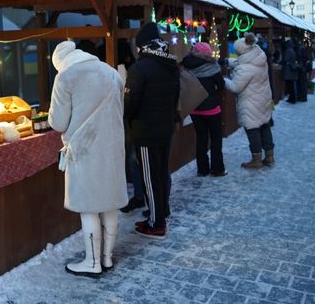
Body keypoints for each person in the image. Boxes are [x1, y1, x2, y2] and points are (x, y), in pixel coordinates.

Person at [48, 40, 128, 278]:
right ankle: (107, 258)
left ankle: (92, 263)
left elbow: (58, 122)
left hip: (85, 150)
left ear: (58, 61)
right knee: (109, 203)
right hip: (113, 148)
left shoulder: (65, 76)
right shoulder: (111, 72)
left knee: (89, 207)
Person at [124, 22, 180, 239]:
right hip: (165, 128)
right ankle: (161, 212)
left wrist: (124, 110)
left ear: (142, 46)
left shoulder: (139, 68)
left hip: (146, 131)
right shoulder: (170, 64)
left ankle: (156, 224)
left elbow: (130, 105)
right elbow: (175, 98)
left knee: (149, 178)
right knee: (161, 174)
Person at [224, 32, 274, 169]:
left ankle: (256, 159)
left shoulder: (245, 68)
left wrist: (223, 80)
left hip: (250, 103)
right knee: (264, 125)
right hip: (263, 99)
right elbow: (244, 63)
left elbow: (235, 87)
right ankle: (270, 156)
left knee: (252, 129)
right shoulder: (259, 56)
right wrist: (228, 62)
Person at [181, 42, 226, 177]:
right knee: (216, 138)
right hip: (212, 109)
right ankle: (217, 169)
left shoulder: (186, 65)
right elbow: (221, 85)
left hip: (195, 109)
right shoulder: (213, 66)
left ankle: (202, 169)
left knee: (201, 138)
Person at [281, 38, 298, 104]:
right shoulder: (293, 50)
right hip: (292, 70)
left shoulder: (288, 50)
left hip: (289, 70)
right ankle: (292, 98)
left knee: (290, 85)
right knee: (292, 85)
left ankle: (292, 99)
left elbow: (286, 59)